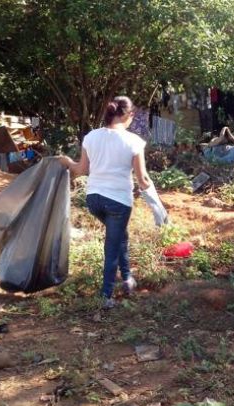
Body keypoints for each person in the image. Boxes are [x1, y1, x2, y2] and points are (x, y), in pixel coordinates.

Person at [60, 96, 152, 309]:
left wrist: (66, 161)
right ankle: (106, 295)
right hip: (118, 202)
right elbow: (143, 179)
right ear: (128, 115)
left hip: (94, 200)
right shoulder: (133, 142)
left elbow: (81, 170)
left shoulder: (91, 136)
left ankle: (128, 278)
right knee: (112, 244)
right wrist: (158, 205)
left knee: (119, 236)